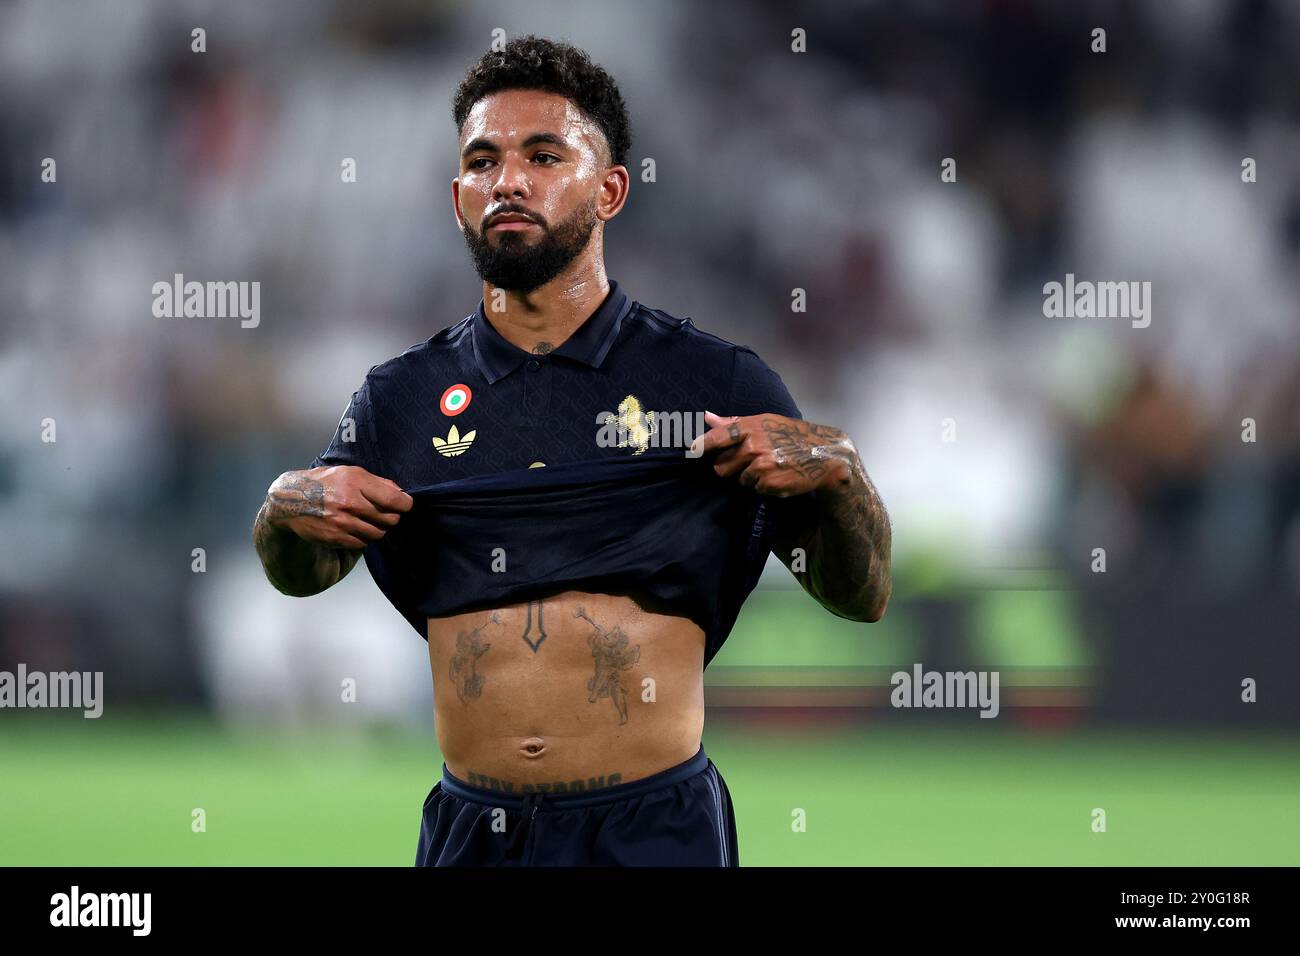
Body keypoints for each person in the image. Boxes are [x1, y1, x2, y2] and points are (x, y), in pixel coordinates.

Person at [252, 35, 891, 866]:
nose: (507, 181)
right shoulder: (398, 398)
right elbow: (302, 574)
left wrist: (839, 469)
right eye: (482, 162)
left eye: (543, 155)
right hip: (472, 832)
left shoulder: (718, 381)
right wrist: (284, 510)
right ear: (457, 198)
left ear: (612, 189)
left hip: (654, 831)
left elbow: (859, 596)